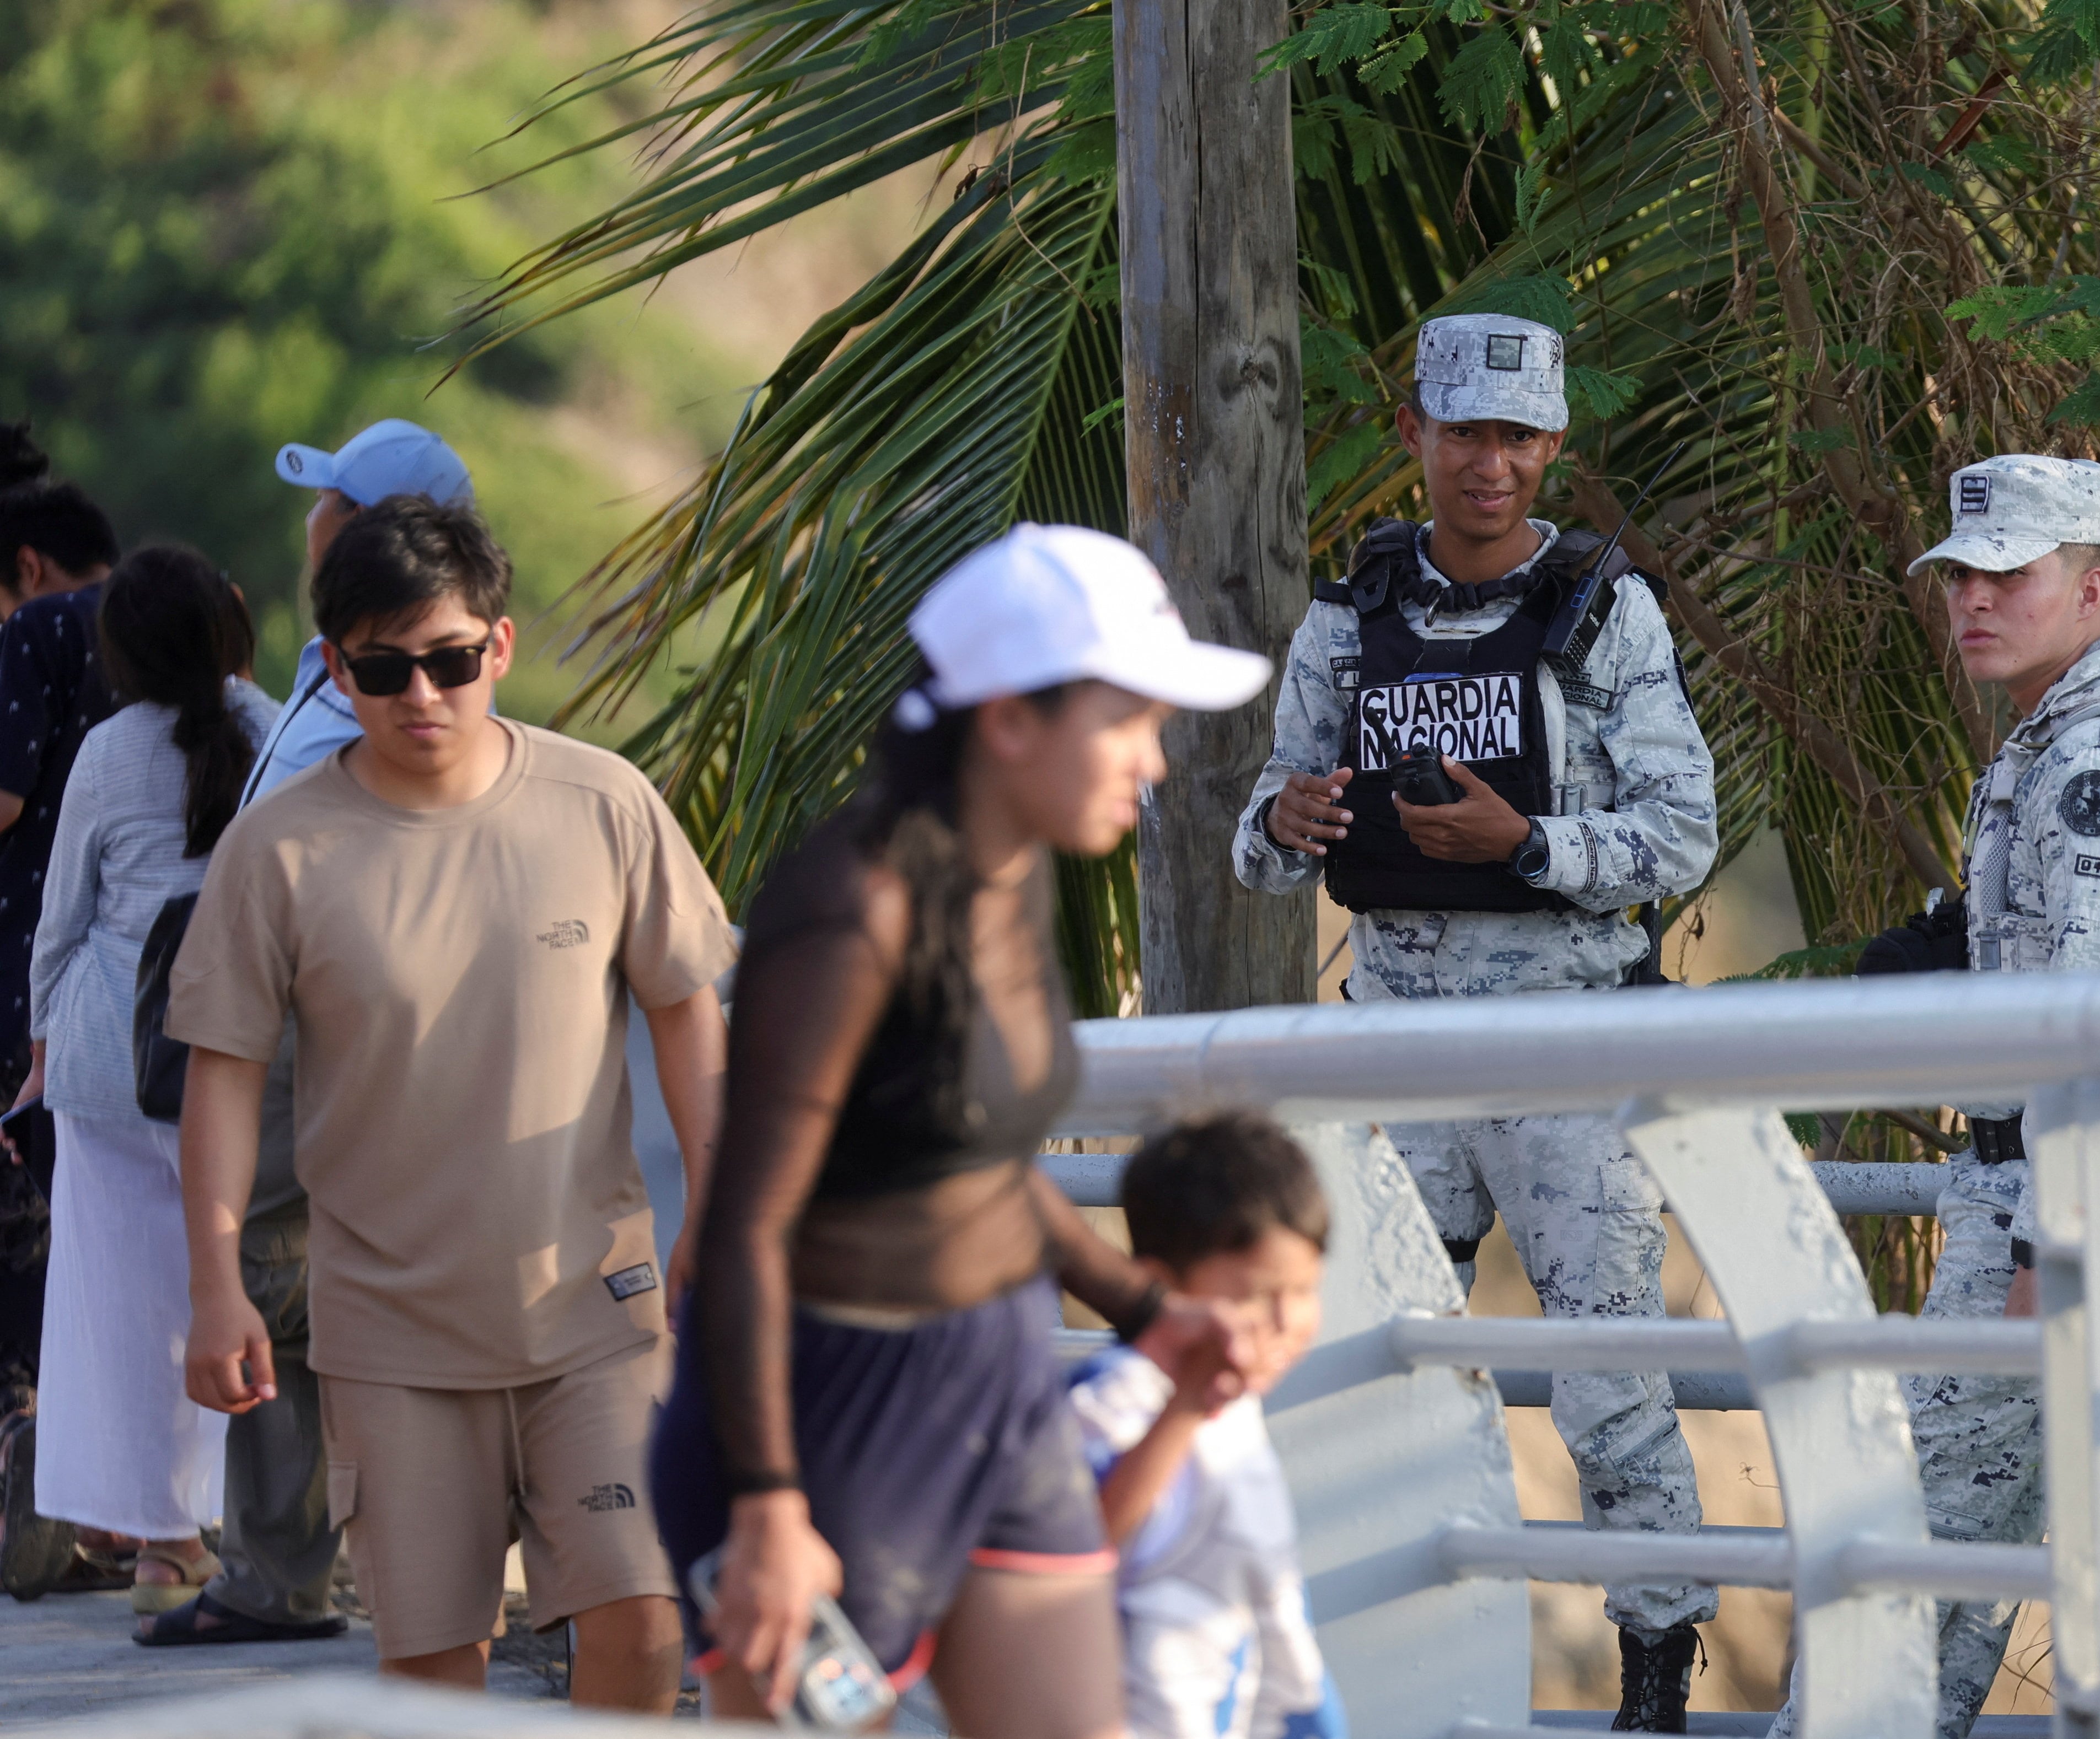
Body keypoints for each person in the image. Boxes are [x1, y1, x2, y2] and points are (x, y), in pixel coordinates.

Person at [652, 524, 1267, 1734]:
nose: (1152, 759)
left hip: (997, 1375)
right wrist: (768, 1499)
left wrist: (1147, 1313)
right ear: (1010, 722)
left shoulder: (1016, 865)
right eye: (1129, 719)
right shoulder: (852, 906)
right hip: (824, 1410)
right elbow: (740, 1230)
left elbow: (978, 1164)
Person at [1231, 313, 1721, 1730]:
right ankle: (1373, 1678)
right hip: (1395, 1042)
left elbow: (1682, 834)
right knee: (1373, 1369)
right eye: (1464, 432)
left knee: (1608, 1375)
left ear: (1552, 444)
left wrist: (1530, 845)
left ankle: (1654, 1684)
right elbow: (1254, 837)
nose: (1489, 463)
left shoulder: (1603, 608)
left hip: (1565, 1047)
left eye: (1517, 437)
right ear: (1417, 438)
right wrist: (1286, 814)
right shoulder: (1350, 609)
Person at [169, 496, 734, 1709]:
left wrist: (720, 1201)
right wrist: (216, 1285)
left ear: (501, 645)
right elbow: (221, 1071)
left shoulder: (603, 803)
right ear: (334, 668)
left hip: (593, 1309)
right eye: (382, 669)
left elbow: (688, 1003)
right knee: (431, 1674)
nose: (421, 694)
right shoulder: (278, 854)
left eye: (449, 660)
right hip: (389, 1330)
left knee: (642, 1618)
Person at [1792, 455, 2100, 1739]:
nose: (1973, 598)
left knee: (1905, 1573)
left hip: (2074, 1209)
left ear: (2093, 583)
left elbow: (2095, 1024)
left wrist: (2041, 1243)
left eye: (2009, 573)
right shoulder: (2098, 730)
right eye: (1959, 572)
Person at [138, 421, 476, 1650]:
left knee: (281, 1276)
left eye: (332, 504)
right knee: (280, 1276)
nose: (310, 525)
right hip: (280, 1014)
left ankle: (285, 1570)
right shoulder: (334, 669)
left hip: (322, 1025)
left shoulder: (405, 693)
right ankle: (287, 1560)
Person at [18, 548, 277, 1617]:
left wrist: (38, 1050)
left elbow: (61, 916)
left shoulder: (104, 750)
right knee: (259, 1283)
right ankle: (278, 1528)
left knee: (119, 1306)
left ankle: (164, 1549)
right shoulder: (278, 729)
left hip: (107, 1054)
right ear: (231, 628)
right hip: (243, 1046)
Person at [1066, 1112, 1345, 1739]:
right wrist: (1184, 1406)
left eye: (1305, 1290)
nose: (1285, 1320)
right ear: (1164, 1289)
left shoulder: (1234, 1405)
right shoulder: (1111, 1404)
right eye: (1255, 1295)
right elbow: (1070, 1555)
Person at [0, 422, 123, 1602]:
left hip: (28, 1000)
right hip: (145, 1014)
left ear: (26, 569)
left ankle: (41, 1473)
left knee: (31, 1252)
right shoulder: (200, 666)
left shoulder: (36, 635)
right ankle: (101, 1508)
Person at [246, 419, 475, 803]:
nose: (310, 518)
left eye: (322, 499)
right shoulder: (444, 674)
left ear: (357, 522)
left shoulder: (393, 684)